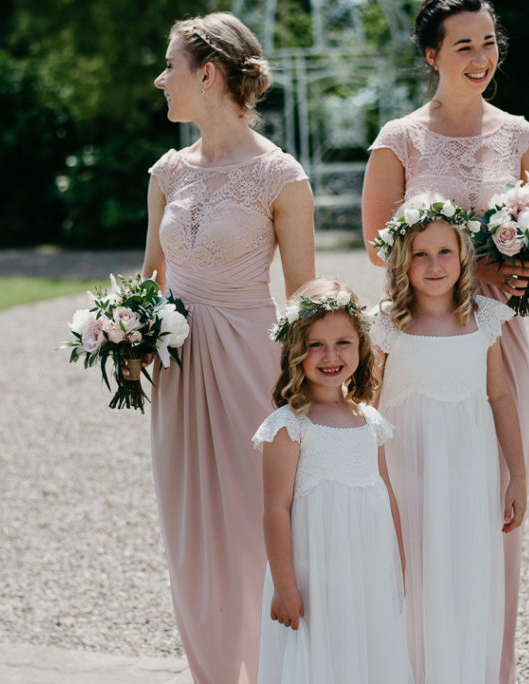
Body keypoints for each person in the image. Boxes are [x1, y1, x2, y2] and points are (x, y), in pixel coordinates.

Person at [360, 1, 529, 680]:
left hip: (497, 331)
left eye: (490, 43)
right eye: (464, 45)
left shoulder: (520, 135)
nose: (481, 58)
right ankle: (409, 659)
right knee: (412, 493)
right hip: (418, 334)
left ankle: (482, 665)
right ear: (432, 55)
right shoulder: (401, 139)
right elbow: (380, 241)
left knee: (492, 492)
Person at [130, 12, 315, 684]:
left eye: (170, 66)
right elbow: (149, 278)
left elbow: (304, 296)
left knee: (256, 525)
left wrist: (316, 392)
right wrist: (129, 338)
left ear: (208, 74)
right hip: (180, 376)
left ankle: (277, 669)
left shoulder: (280, 176)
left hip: (252, 370)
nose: (160, 80)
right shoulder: (166, 173)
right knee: (191, 534)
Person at [369, 195, 526, 684]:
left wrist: (517, 474)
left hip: (468, 470)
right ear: (402, 260)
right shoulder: (387, 323)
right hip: (406, 469)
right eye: (420, 253)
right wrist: (373, 483)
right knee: (413, 573)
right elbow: (367, 408)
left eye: (444, 253)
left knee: (463, 572)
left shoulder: (484, 318)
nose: (433, 265)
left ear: (464, 257)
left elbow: (500, 398)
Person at [253, 278, 413, 684]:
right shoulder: (289, 426)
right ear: (295, 352)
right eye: (315, 345)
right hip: (313, 576)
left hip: (365, 570)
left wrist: (398, 565)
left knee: (364, 650)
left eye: (343, 342)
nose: (330, 355)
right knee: (320, 653)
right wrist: (285, 586)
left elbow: (385, 493)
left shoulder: (370, 420)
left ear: (361, 346)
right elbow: (276, 508)